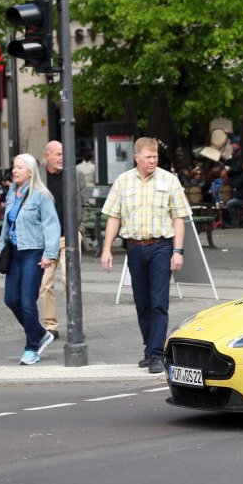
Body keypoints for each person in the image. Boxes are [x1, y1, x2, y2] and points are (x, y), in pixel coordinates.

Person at [99, 137, 192, 373]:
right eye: (148, 157)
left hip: (161, 246)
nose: (153, 161)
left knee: (158, 302)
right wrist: (107, 248)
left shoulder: (169, 180)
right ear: (137, 157)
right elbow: (113, 217)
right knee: (142, 302)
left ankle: (156, 354)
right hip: (133, 247)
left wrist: (178, 251)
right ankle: (149, 349)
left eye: (156, 157)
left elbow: (179, 218)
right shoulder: (123, 181)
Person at [0, 153, 61, 365]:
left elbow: (52, 225)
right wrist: (2, 247)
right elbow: (7, 224)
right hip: (15, 252)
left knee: (27, 302)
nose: (14, 170)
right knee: (10, 299)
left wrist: (49, 254)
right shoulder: (11, 193)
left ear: (30, 171)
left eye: (19, 167)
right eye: (14, 167)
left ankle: (32, 347)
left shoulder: (41, 195)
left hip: (34, 252)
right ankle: (40, 333)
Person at [37, 140, 86, 340]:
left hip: (70, 237)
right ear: (47, 155)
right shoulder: (38, 176)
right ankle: (50, 326)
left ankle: (75, 325)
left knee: (70, 281)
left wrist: (80, 231)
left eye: (63, 154)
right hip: (46, 240)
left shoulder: (76, 175)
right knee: (45, 284)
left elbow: (86, 205)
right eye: (57, 154)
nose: (61, 158)